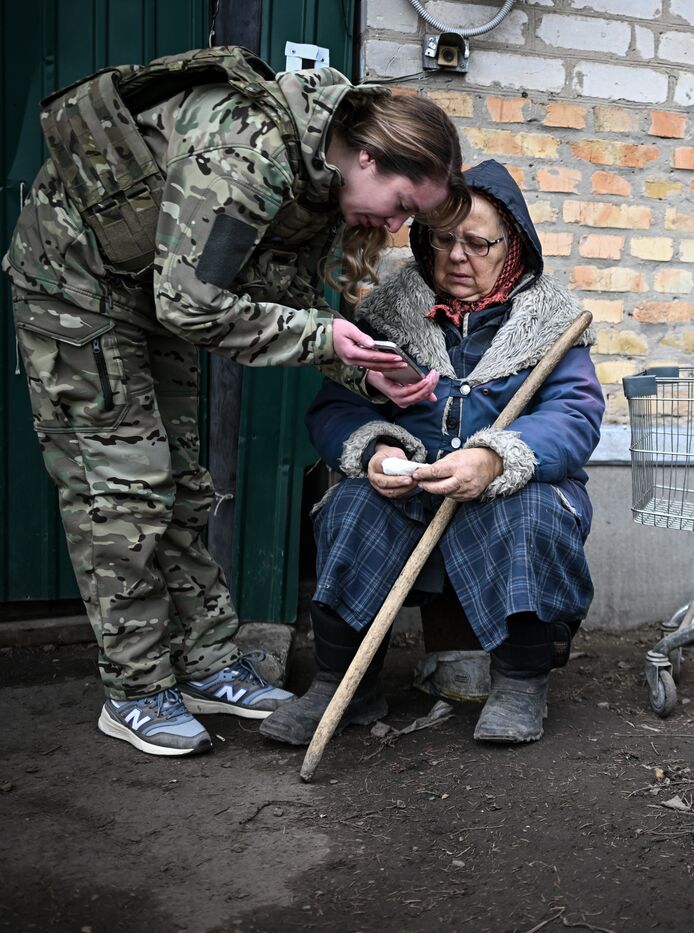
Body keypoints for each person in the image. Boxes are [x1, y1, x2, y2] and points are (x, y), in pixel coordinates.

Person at [4, 47, 466, 757]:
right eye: (404, 205)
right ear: (369, 158)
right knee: (125, 489)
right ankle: (133, 690)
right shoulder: (248, 148)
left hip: (151, 295)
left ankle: (208, 664)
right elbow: (192, 303)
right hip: (76, 284)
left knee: (185, 486)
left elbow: (282, 299)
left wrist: (365, 374)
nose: (399, 226)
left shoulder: (321, 177)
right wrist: (325, 339)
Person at [261, 159, 604, 747]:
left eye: (477, 242)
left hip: (504, 489)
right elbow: (338, 405)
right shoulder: (388, 312)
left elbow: (574, 417)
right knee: (349, 508)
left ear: (512, 245)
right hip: (410, 487)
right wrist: (375, 447)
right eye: (443, 239)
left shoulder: (553, 323)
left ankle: (520, 683)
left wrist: (497, 458)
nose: (457, 256)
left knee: (534, 514)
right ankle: (342, 684)